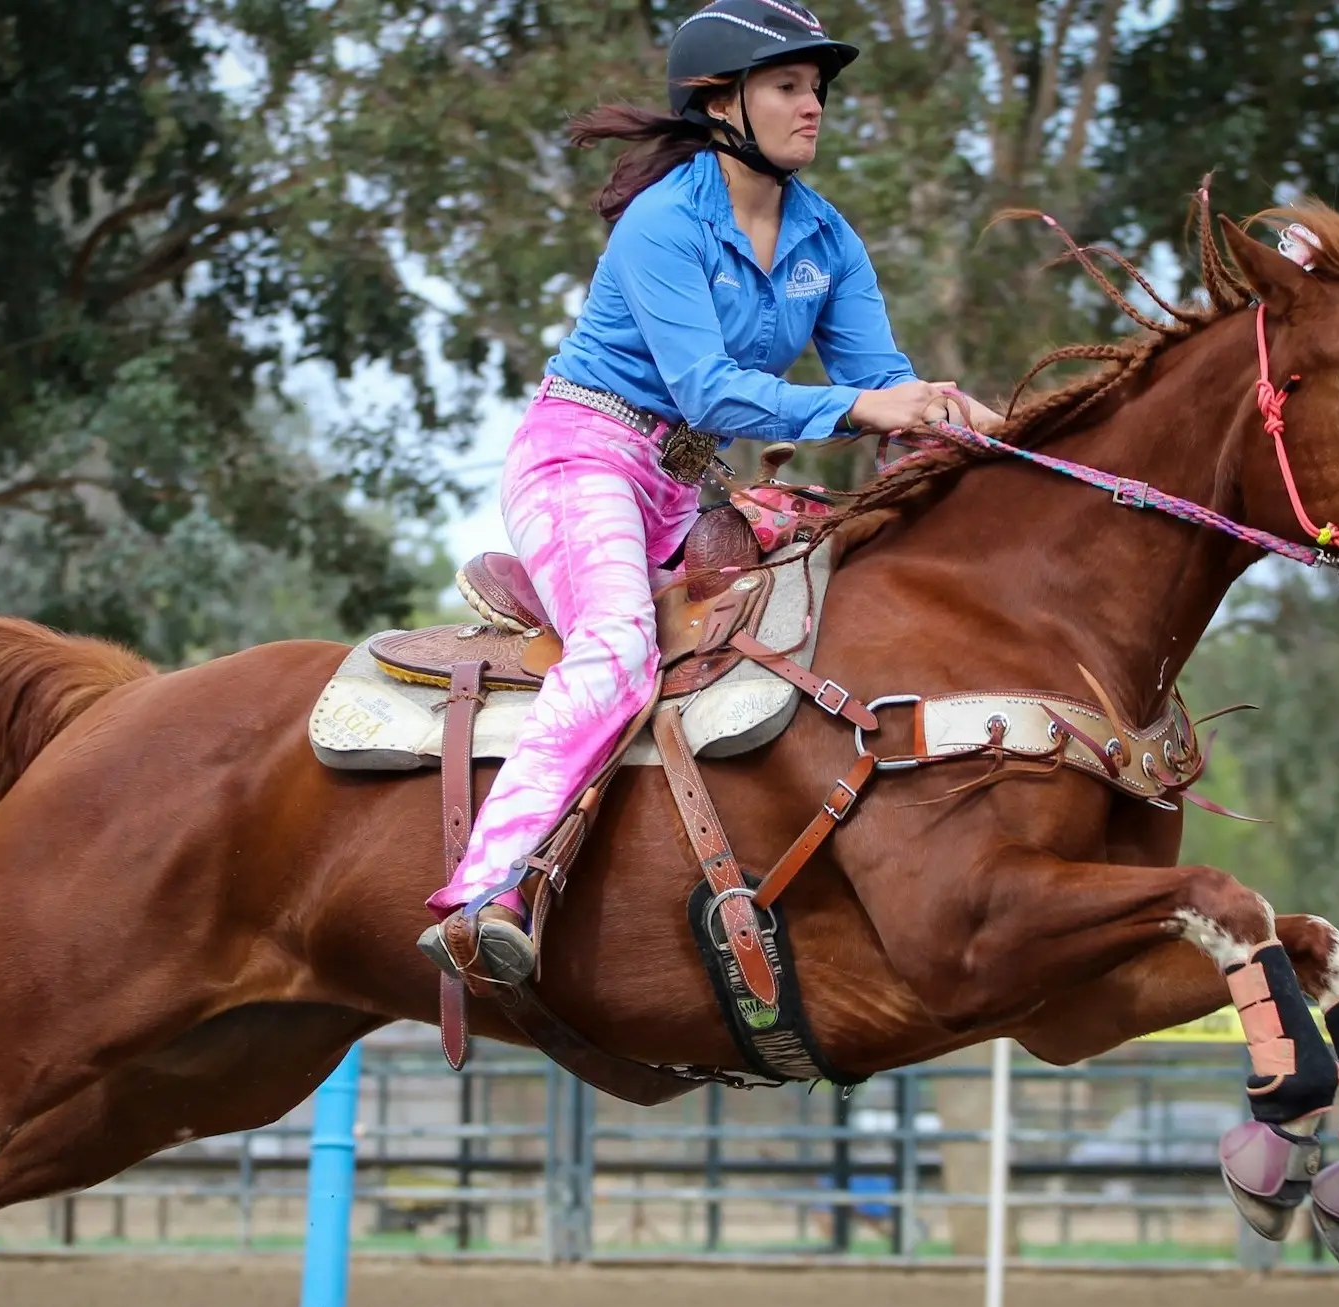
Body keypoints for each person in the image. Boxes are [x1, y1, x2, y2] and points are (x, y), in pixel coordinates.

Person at [419, 0, 1003, 984]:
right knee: (612, 654)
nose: (811, 106)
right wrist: (873, 405)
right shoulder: (662, 224)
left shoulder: (828, 240)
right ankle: (490, 887)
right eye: (787, 86)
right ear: (719, 104)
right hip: (582, 461)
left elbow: (881, 383)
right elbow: (710, 390)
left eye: (816, 88)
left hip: (686, 486)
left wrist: (956, 425)